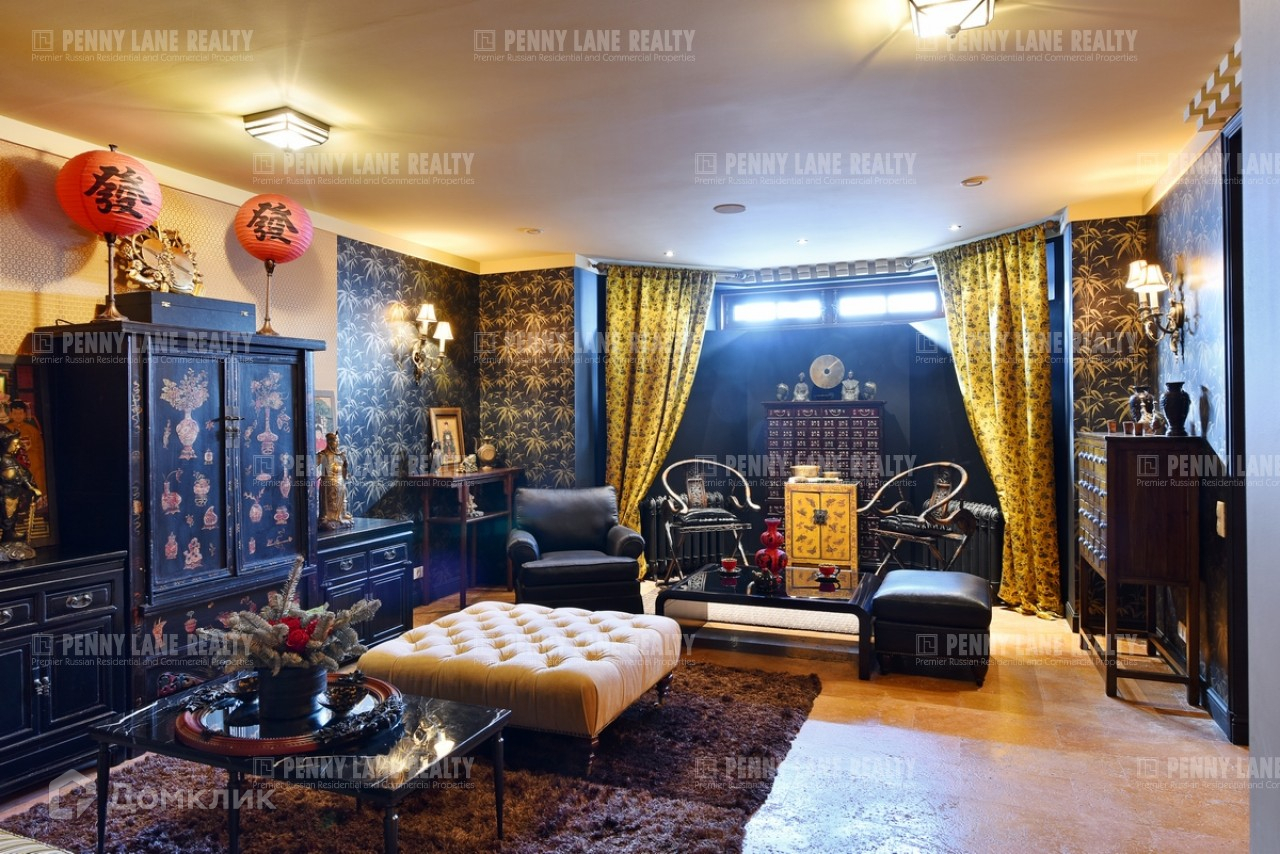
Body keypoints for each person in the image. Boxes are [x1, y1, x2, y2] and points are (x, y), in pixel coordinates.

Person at [0, 428, 41, 547]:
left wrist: (31, 487)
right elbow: (14, 476)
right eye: (15, 444)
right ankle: (8, 536)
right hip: (6, 494)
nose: (18, 447)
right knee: (7, 516)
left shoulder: (13, 460)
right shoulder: (3, 461)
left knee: (13, 515)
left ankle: (10, 534)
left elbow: (22, 475)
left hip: (14, 493)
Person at [317, 431, 354, 529]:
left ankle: (341, 515)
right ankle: (326, 518)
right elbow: (312, 466)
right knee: (328, 502)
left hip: (340, 482)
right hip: (328, 483)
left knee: (342, 500)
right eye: (334, 441)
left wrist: (345, 472)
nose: (337, 443)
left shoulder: (341, 455)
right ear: (329, 442)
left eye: (337, 441)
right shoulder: (323, 454)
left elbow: (345, 468)